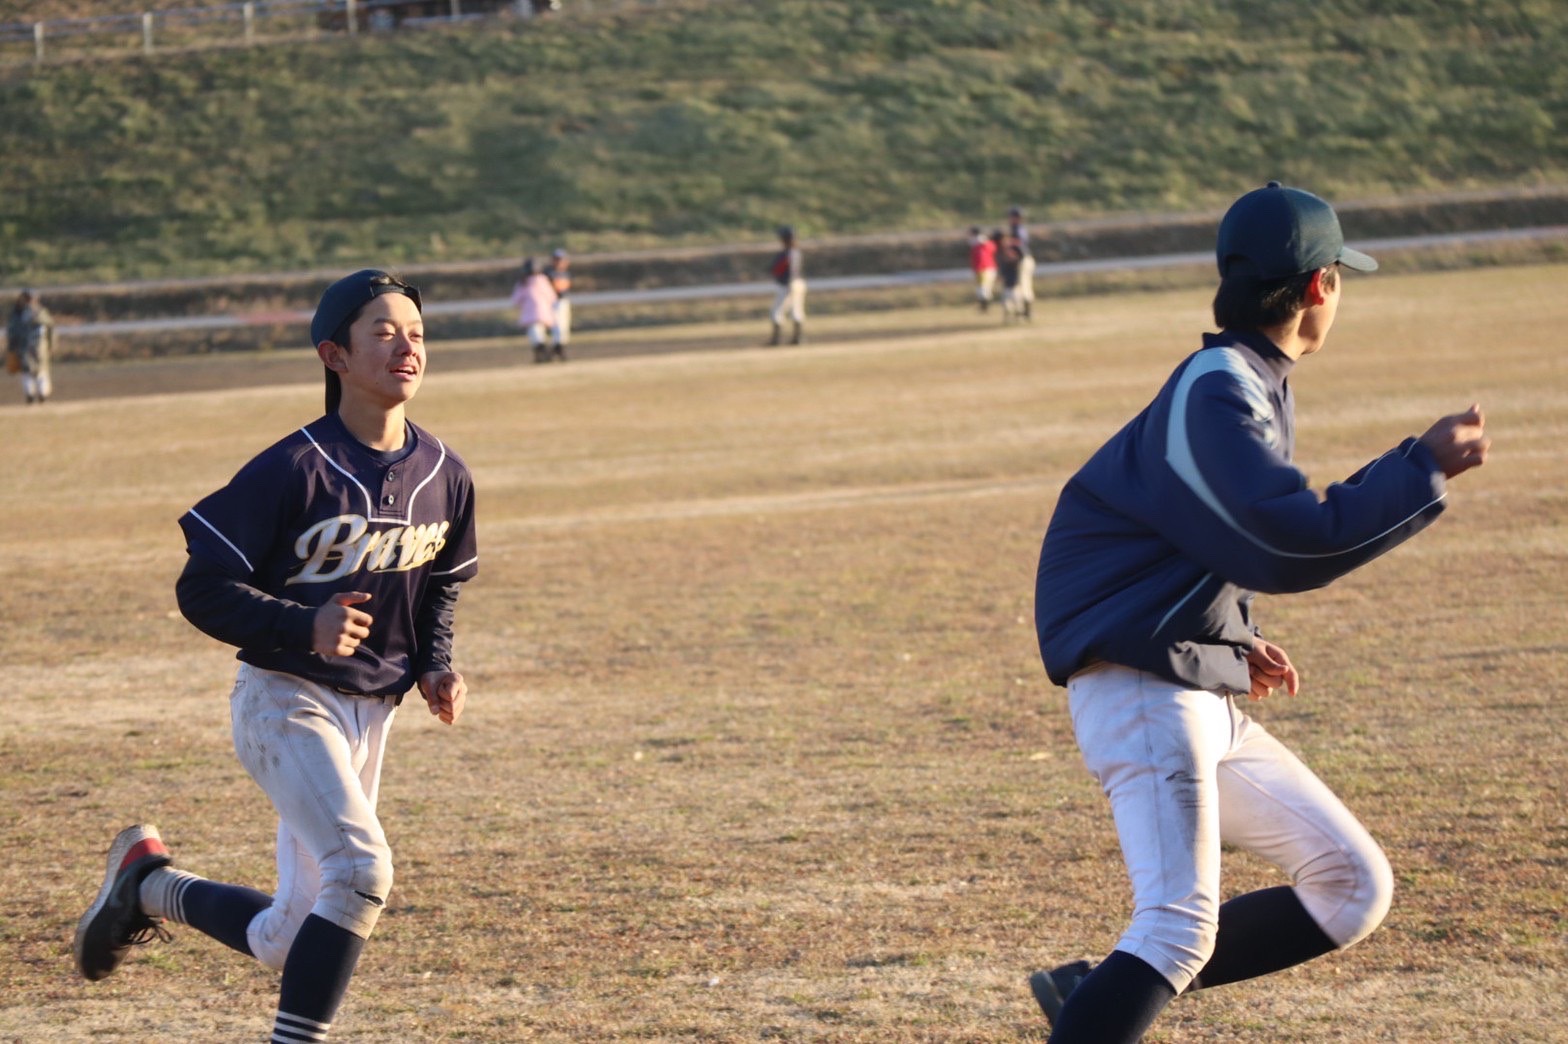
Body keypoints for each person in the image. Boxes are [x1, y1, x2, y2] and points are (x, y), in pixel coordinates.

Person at [1027, 182, 1490, 1043]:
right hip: (1141, 691)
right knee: (1175, 928)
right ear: (1320, 287)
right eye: (1341, 279)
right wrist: (1420, 467)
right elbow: (1282, 540)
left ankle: (1093, 997)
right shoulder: (1218, 385)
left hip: (1182, 682)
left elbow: (1190, 536)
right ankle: (1099, 1004)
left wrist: (1227, 636)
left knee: (1349, 883)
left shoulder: (1239, 378)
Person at [73, 269, 480, 1044]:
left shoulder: (444, 473)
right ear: (334, 355)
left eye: (417, 333)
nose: (407, 347)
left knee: (287, 938)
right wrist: (302, 625)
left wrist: (436, 661)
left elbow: (440, 588)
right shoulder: (294, 467)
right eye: (384, 332)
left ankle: (148, 886)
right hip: (285, 700)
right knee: (362, 874)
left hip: (369, 716)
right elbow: (202, 588)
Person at [7, 289, 55, 404]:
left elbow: (13, 331)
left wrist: (12, 346)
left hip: (25, 346)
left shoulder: (19, 314)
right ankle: (42, 393)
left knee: (27, 371)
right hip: (40, 346)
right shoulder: (42, 312)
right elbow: (50, 328)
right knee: (41, 369)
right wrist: (50, 344)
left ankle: (31, 394)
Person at [510, 256, 559, 363]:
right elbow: (552, 297)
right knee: (540, 334)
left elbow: (515, 300)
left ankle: (542, 355)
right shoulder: (543, 281)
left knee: (535, 336)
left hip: (530, 314)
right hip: (545, 313)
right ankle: (543, 355)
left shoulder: (523, 283)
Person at [768, 224, 806, 346]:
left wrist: (788, 283)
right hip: (797, 282)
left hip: (787, 284)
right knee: (796, 310)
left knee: (776, 312)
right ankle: (797, 338)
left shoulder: (787, 253)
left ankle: (776, 340)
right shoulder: (795, 252)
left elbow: (783, 269)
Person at [543, 247, 573, 360]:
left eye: (561, 259)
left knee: (564, 326)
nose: (559, 262)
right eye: (557, 259)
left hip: (564, 302)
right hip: (553, 302)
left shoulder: (565, 273)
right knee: (558, 326)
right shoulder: (549, 273)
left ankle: (558, 349)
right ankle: (558, 349)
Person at [1007, 206, 1036, 320]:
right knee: (1025, 285)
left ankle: (1026, 312)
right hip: (1026, 259)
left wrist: (1008, 246)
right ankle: (1025, 311)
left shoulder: (1016, 229)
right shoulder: (1020, 228)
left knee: (1022, 285)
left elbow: (1017, 243)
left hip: (1023, 260)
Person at [993, 229, 1023, 322]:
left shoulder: (1011, 248)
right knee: (1006, 297)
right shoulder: (1000, 250)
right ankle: (1008, 316)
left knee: (1014, 295)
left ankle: (1018, 314)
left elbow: (1016, 260)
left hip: (1013, 275)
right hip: (1006, 275)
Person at [968, 226, 997, 313]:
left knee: (983, 288)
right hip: (985, 268)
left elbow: (981, 258)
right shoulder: (984, 243)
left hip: (983, 269)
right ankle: (983, 307)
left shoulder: (979, 244)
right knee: (982, 288)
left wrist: (978, 268)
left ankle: (984, 307)